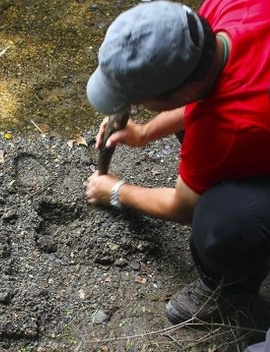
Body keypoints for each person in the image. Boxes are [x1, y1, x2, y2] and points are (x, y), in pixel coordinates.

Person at [84, 0, 270, 328]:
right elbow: (203, 92)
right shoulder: (223, 10)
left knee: (223, 220)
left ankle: (230, 288)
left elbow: (183, 208)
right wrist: (142, 133)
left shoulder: (227, 129)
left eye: (141, 103)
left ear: (180, 93)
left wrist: (115, 191)